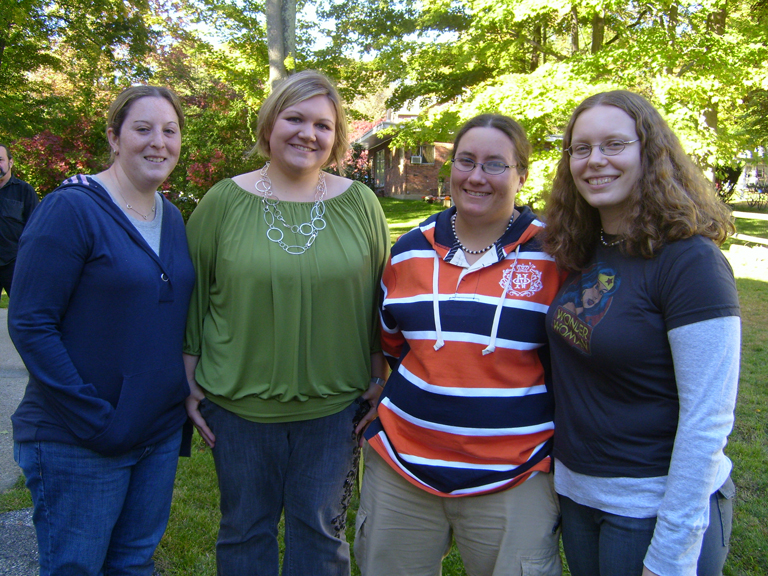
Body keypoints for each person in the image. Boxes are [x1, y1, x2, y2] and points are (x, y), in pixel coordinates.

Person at [183, 70, 389, 576]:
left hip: (335, 406)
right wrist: (187, 383)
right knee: (244, 530)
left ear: (336, 137)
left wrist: (382, 376)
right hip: (238, 405)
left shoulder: (361, 205)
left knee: (320, 535)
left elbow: (381, 301)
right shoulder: (222, 201)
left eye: (323, 124)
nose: (307, 133)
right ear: (270, 125)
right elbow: (192, 301)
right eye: (294, 118)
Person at [355, 114, 564, 576]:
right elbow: (393, 345)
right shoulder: (408, 250)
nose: (475, 176)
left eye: (495, 164)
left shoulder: (555, 255)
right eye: (465, 161)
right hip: (402, 469)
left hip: (515, 475)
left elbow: (570, 363)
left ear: (521, 175)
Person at [543, 90, 739, 576]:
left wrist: (673, 549)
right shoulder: (582, 248)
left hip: (651, 508)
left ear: (648, 152)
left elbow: (708, 417)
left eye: (613, 145)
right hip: (578, 495)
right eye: (581, 149)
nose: (595, 161)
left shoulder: (690, 261)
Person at [10, 86, 194, 576]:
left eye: (170, 131)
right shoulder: (71, 209)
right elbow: (30, 322)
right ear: (114, 137)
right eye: (143, 129)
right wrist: (94, 418)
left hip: (155, 432)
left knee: (133, 564)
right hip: (78, 438)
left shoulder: (171, 218)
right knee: (77, 568)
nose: (159, 142)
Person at [0, 143, 39, 296]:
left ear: (11, 162)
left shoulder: (24, 190)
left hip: (15, 263)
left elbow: (35, 228)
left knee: (22, 312)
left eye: (0, 160)